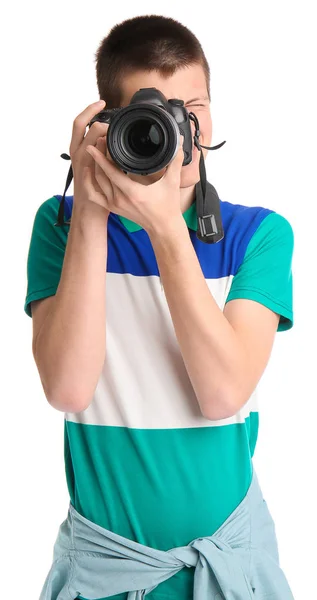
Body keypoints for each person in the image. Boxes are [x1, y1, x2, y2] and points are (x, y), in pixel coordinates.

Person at [24, 14, 295, 600]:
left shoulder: (258, 235)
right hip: (104, 575)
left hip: (227, 570)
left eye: (191, 107)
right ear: (108, 123)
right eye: (155, 115)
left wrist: (167, 229)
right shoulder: (62, 225)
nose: (181, 132)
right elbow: (69, 389)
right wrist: (91, 206)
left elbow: (223, 393)